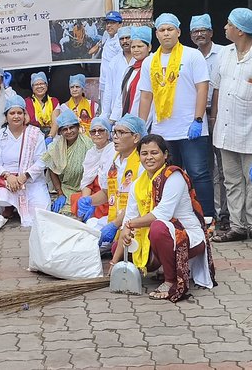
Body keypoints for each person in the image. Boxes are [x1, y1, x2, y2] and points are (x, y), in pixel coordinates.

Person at [111, 134, 216, 302]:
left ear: (165, 155)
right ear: (139, 156)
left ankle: (171, 281)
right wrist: (114, 264)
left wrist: (130, 225)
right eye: (144, 153)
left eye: (154, 153)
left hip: (188, 236)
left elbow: (162, 214)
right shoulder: (138, 184)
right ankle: (160, 267)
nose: (149, 157)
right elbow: (129, 218)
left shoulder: (174, 176)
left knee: (158, 227)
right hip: (161, 236)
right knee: (119, 245)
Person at [138, 13, 216, 220]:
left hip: (190, 127)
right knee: (168, 175)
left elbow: (202, 88)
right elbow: (146, 96)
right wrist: (140, 126)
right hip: (162, 130)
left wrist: (198, 120)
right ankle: (174, 216)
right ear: (157, 34)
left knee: (198, 173)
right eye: (162, 30)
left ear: (178, 32)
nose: (166, 34)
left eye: (170, 29)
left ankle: (207, 217)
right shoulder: (149, 62)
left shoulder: (192, 56)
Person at [210, 8, 252, 244]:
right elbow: (216, 88)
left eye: (229, 24)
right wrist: (213, 120)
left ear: (241, 30)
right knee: (231, 181)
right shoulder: (224, 54)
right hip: (224, 129)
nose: (225, 28)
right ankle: (237, 226)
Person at [191, 14, 229, 231]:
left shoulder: (224, 53)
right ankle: (210, 213)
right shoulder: (189, 55)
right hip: (197, 116)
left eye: (203, 30)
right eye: (195, 31)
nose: (199, 34)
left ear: (211, 33)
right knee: (203, 169)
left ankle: (225, 214)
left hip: (220, 114)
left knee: (223, 167)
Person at [0, 96, 50, 227]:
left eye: (19, 113)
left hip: (31, 180)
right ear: (6, 116)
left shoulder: (35, 134)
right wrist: (8, 175)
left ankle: (17, 206)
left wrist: (25, 175)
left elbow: (42, 161)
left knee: (41, 213)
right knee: (3, 198)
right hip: (8, 181)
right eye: (12, 113)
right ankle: (10, 207)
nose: (16, 116)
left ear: (24, 115)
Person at [95, 115, 147, 250]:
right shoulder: (115, 159)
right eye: (114, 132)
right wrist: (88, 201)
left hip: (134, 222)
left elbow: (137, 206)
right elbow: (107, 193)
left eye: (121, 132)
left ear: (136, 137)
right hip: (115, 218)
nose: (115, 137)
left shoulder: (142, 164)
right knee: (88, 228)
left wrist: (115, 225)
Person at [43, 110, 92, 215]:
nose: (69, 131)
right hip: (65, 190)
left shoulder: (88, 145)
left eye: (71, 127)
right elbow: (52, 169)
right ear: (60, 132)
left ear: (78, 127)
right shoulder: (56, 146)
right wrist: (60, 193)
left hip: (86, 190)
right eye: (65, 129)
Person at [78, 116, 116, 229]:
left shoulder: (113, 150)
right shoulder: (91, 152)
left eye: (101, 130)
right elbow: (87, 181)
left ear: (108, 133)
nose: (97, 134)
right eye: (93, 131)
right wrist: (86, 201)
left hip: (107, 193)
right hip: (94, 192)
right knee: (78, 200)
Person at [103, 26, 137, 119]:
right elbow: (108, 89)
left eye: (127, 38)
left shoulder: (140, 59)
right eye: (122, 39)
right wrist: (105, 114)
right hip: (117, 113)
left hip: (136, 110)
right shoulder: (114, 62)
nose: (125, 41)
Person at [25, 72, 60, 139]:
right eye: (36, 84)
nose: (39, 86)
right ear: (32, 87)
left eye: (42, 83)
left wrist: (50, 137)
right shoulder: (27, 102)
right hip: (33, 137)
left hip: (52, 137)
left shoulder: (54, 101)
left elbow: (56, 122)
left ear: (46, 85)